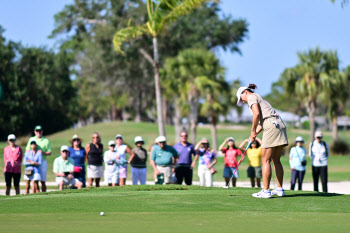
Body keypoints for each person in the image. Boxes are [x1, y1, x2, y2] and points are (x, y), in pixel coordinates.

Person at [236, 84, 288, 198]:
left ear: (245, 92)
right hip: (279, 124)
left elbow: (257, 114)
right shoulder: (259, 97)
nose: (243, 102)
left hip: (270, 126)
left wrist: (253, 130)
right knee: (276, 160)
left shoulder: (251, 96)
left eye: (241, 99)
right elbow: (263, 120)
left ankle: (266, 191)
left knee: (265, 160)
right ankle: (279, 189)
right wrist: (253, 135)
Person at [25, 125, 51, 192]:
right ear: (35, 132)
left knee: (42, 180)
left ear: (42, 131)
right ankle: (34, 196)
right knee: (34, 181)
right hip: (32, 163)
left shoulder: (46, 140)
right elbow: (27, 150)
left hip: (42, 161)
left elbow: (49, 152)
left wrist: (42, 152)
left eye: (40, 131)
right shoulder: (31, 139)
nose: (38, 132)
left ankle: (44, 195)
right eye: (37, 131)